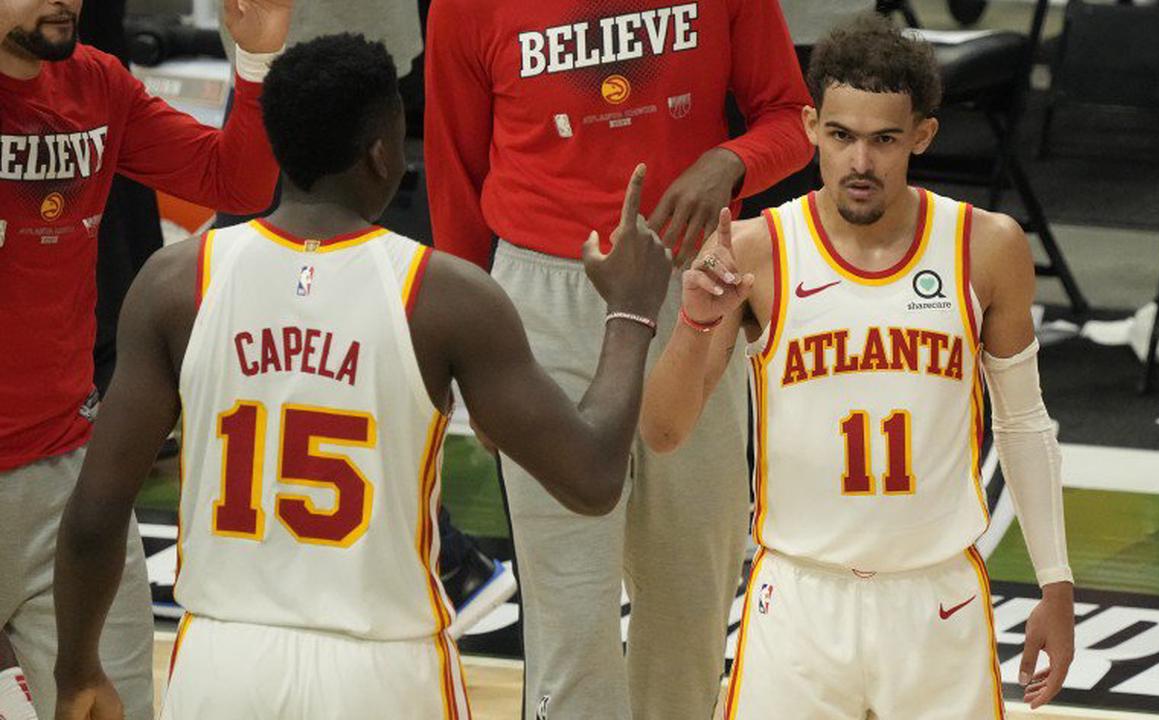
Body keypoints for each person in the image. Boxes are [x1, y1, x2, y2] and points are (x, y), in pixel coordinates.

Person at [53, 33, 673, 720]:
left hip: (219, 665)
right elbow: (591, 479)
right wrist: (630, 313)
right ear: (383, 152)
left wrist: (77, 668)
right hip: (381, 673)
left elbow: (94, 514)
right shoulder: (445, 295)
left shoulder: (176, 281)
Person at [640, 15, 1076, 718]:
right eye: (841, 136)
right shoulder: (757, 250)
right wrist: (692, 321)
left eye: (884, 139)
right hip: (799, 602)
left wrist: (1055, 582)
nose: (860, 163)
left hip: (938, 599)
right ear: (811, 125)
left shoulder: (984, 247)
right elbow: (662, 433)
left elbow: (1024, 423)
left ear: (923, 137)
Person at [424, 1, 813, 716]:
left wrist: (729, 160)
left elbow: (794, 118)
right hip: (540, 298)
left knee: (690, 603)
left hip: (690, 287)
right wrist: (469, 357)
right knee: (570, 613)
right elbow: (452, 166)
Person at [0, 0, 290, 717]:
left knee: (119, 704)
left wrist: (257, 58)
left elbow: (236, 182)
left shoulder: (98, 84)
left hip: (70, 481)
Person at [215, 0, 518, 638]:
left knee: (346, 346)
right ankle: (440, 558)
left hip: (343, 73)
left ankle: (446, 558)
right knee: (277, 348)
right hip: (268, 63)